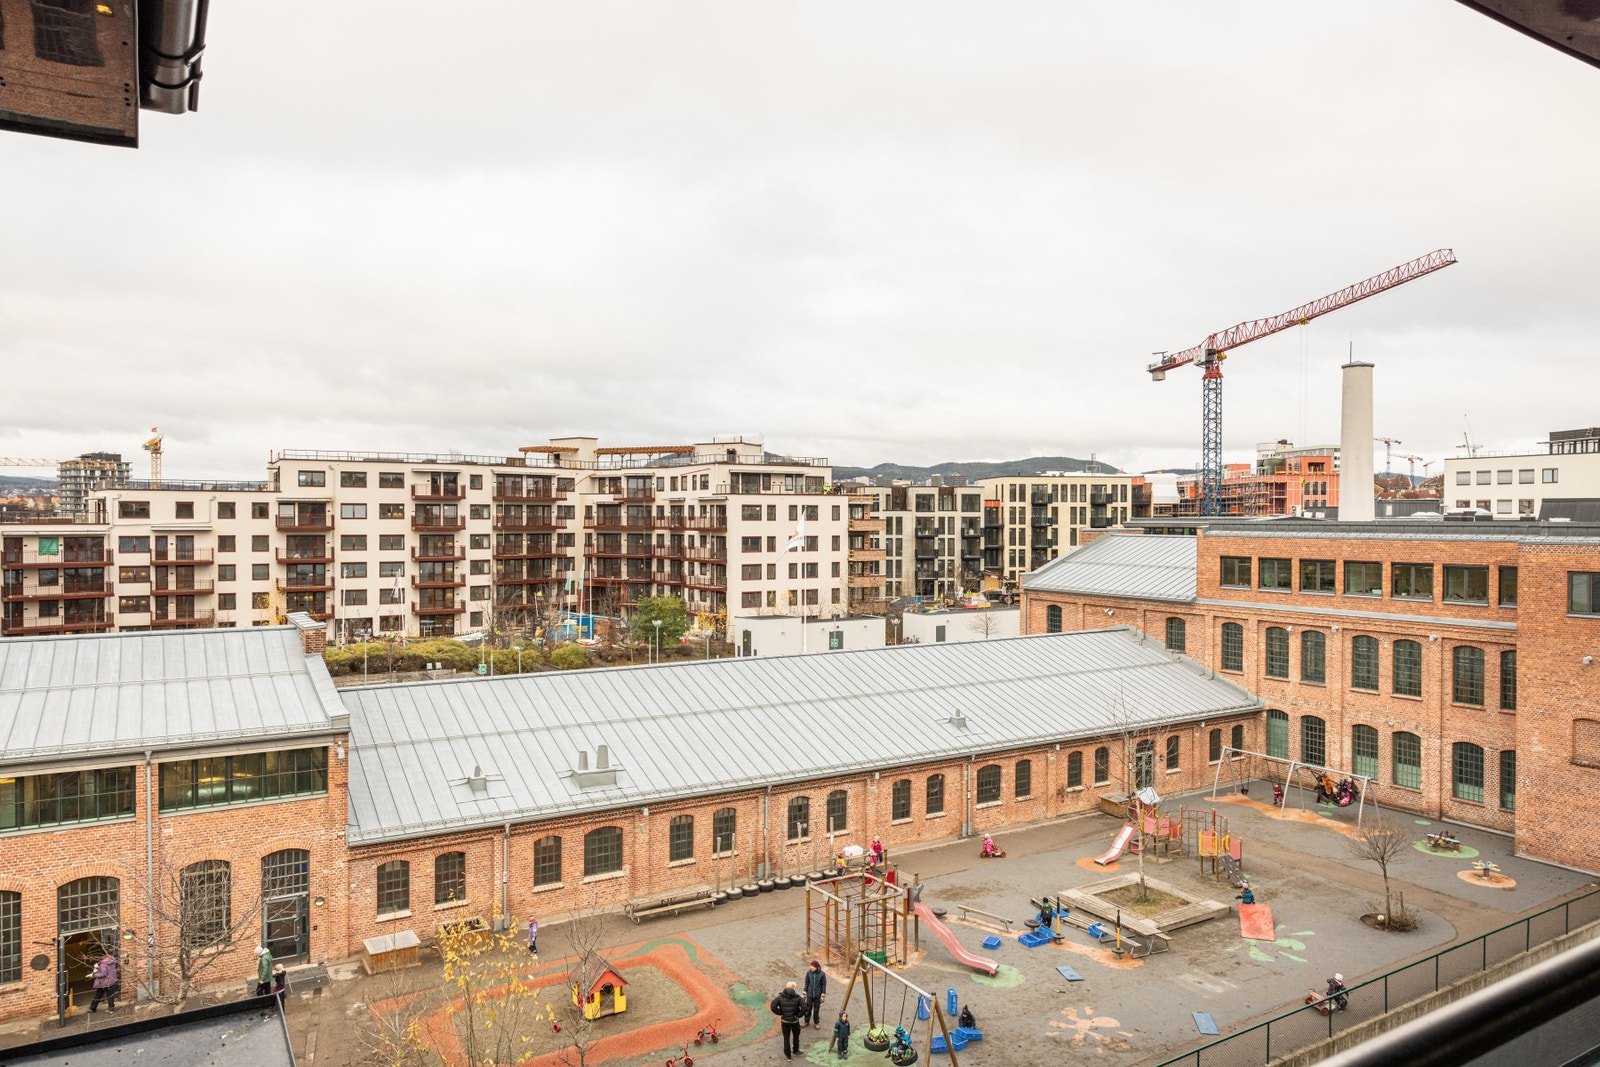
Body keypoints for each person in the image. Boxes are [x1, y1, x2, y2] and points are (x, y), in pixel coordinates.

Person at [770, 981, 809, 1059]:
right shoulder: (798, 998)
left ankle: (788, 1056)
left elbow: (773, 1007)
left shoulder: (780, 997)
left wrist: (780, 1013)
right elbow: (804, 1007)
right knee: (796, 1036)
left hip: (785, 1021)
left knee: (786, 1038)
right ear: (793, 988)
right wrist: (798, 1016)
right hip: (794, 1021)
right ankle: (795, 1050)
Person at [803, 960, 827, 1028]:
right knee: (808, 1009)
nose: (811, 968)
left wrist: (823, 995)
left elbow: (823, 985)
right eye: (811, 966)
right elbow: (806, 982)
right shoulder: (808, 973)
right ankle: (806, 1021)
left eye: (813, 967)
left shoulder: (822, 974)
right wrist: (804, 992)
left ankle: (816, 1022)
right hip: (810, 995)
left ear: (816, 967)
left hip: (817, 995)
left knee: (816, 1010)